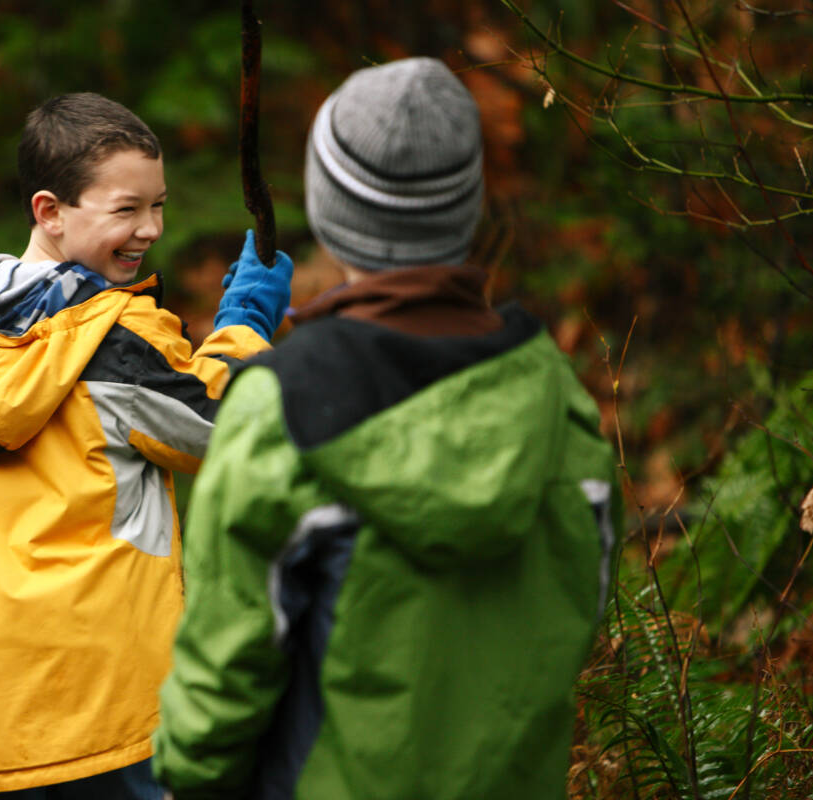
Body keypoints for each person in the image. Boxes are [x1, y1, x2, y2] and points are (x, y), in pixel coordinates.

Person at [152, 57, 620, 799]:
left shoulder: (282, 407)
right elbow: (577, 610)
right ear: (465, 207)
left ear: (329, 208)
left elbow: (223, 673)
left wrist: (186, 775)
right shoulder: (556, 395)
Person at [0, 92, 293, 798]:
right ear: (50, 210)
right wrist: (248, 318)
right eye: (126, 209)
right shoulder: (108, 340)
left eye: (158, 205)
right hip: (109, 708)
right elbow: (225, 428)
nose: (151, 229)